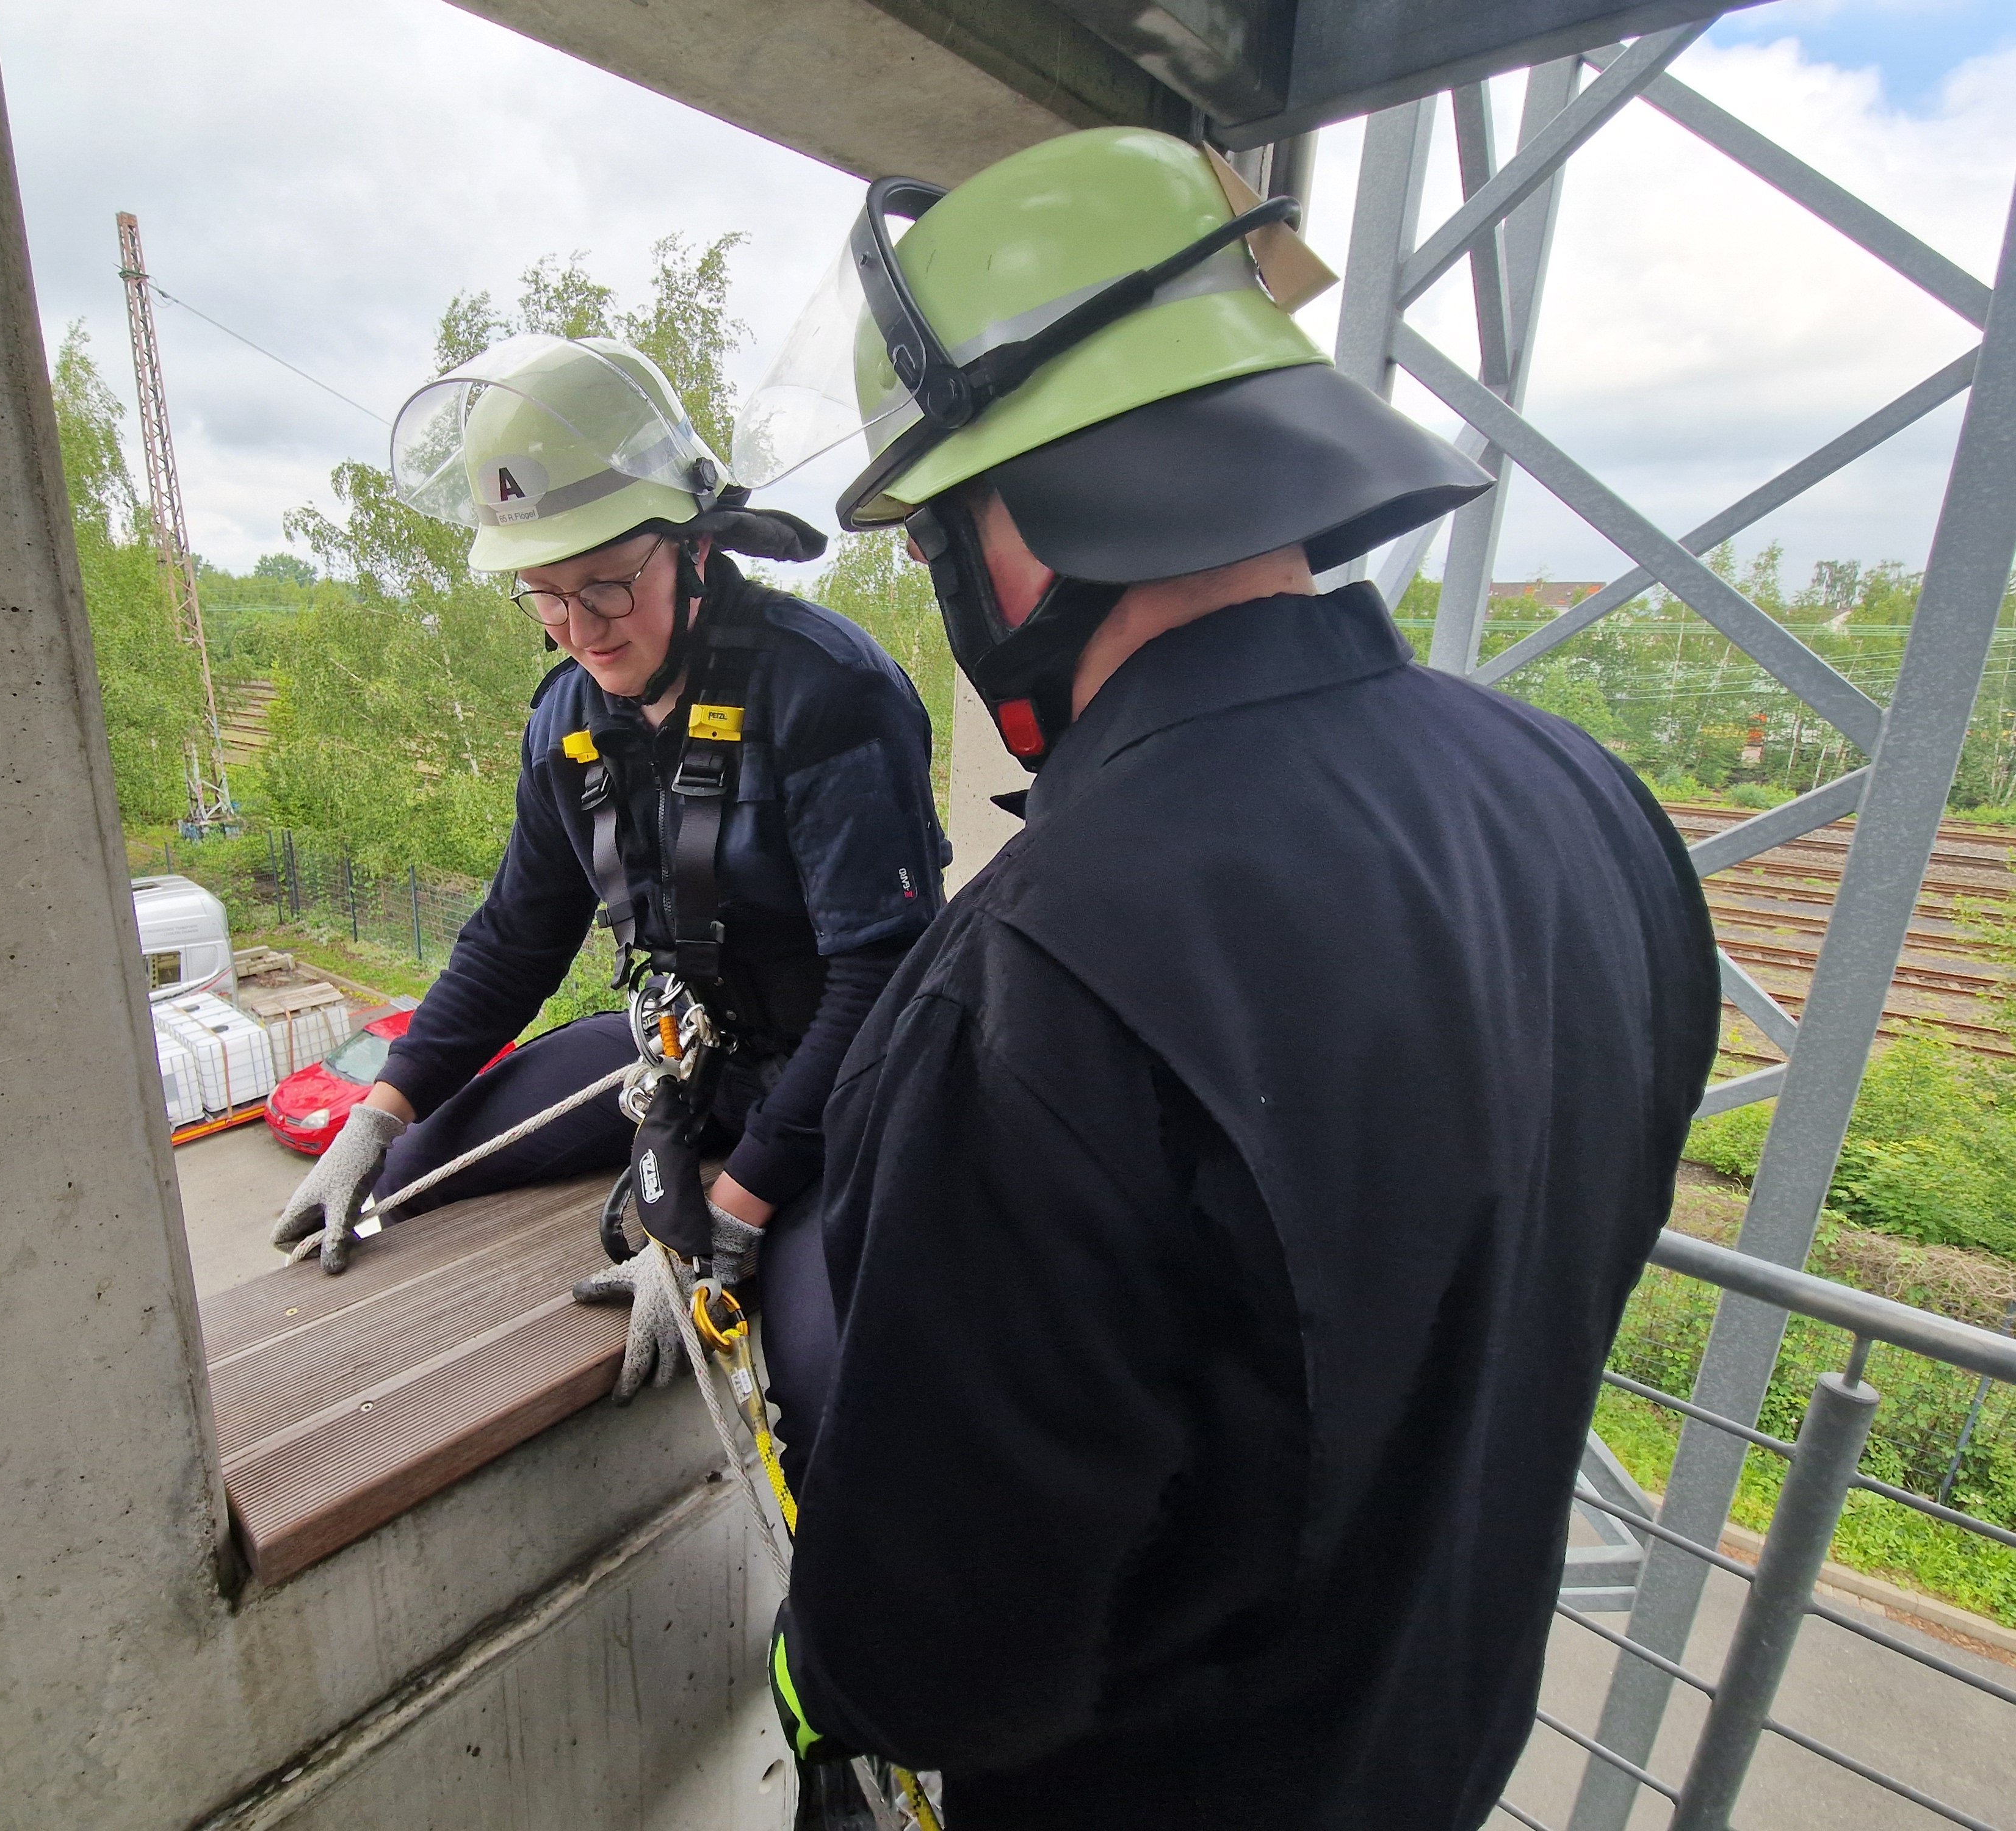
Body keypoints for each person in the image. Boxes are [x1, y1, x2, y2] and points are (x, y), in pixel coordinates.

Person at [739, 129, 1720, 1827]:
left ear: (1015, 519)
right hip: (1440, 1755)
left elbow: (932, 1665)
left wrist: (819, 1665)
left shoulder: (1036, 982)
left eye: (932, 540)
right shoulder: (1588, 804)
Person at [270, 334, 948, 1468]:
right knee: (421, 1160)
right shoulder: (567, 727)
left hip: (843, 1087)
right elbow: (513, 940)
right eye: (545, 597)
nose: (582, 630)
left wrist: (720, 1215)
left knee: (832, 1384)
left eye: (607, 586)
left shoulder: (827, 693)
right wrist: (375, 1118)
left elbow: (882, 979)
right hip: (691, 1058)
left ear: (690, 546)